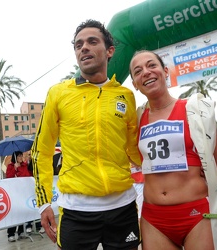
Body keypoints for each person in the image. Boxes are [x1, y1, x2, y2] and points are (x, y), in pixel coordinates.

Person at [32, 19, 141, 249]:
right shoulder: (58, 93)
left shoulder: (126, 96)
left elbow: (134, 149)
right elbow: (41, 150)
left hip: (123, 208)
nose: (84, 48)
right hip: (76, 211)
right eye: (78, 44)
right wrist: (43, 204)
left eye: (92, 42)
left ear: (110, 51)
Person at [129, 50, 217, 249]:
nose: (146, 72)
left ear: (165, 71)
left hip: (196, 216)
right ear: (135, 84)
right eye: (138, 71)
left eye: (152, 65)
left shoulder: (195, 111)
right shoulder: (136, 119)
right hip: (153, 220)